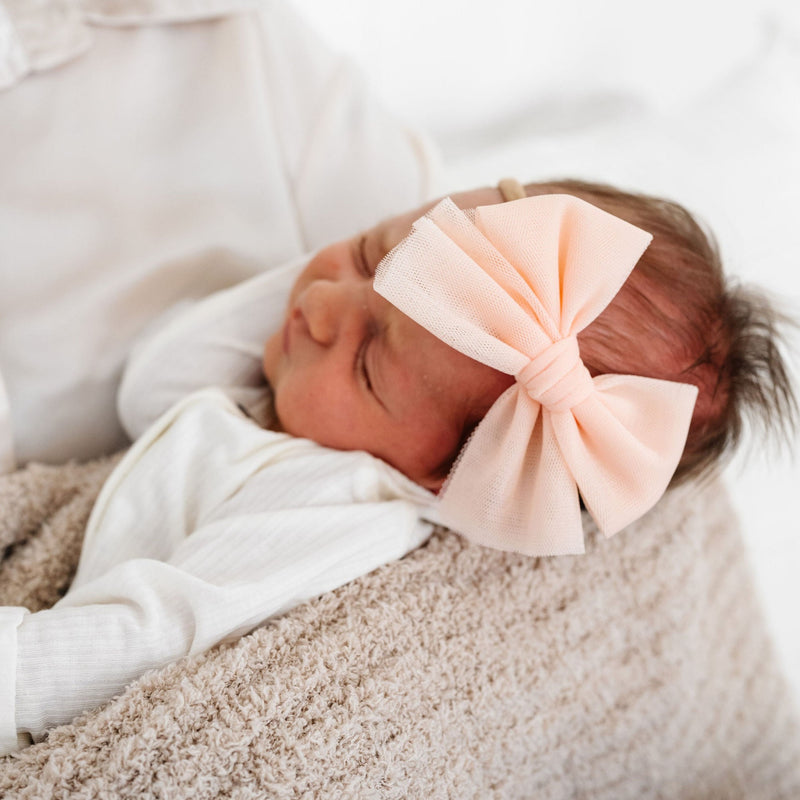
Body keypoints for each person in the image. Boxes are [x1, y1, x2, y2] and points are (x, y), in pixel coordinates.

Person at [0, 178, 795, 754]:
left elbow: (148, 634)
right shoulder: (316, 405)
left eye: (372, 361)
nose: (318, 307)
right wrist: (363, 293)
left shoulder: (332, 507)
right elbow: (156, 383)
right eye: (371, 249)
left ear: (445, 480)